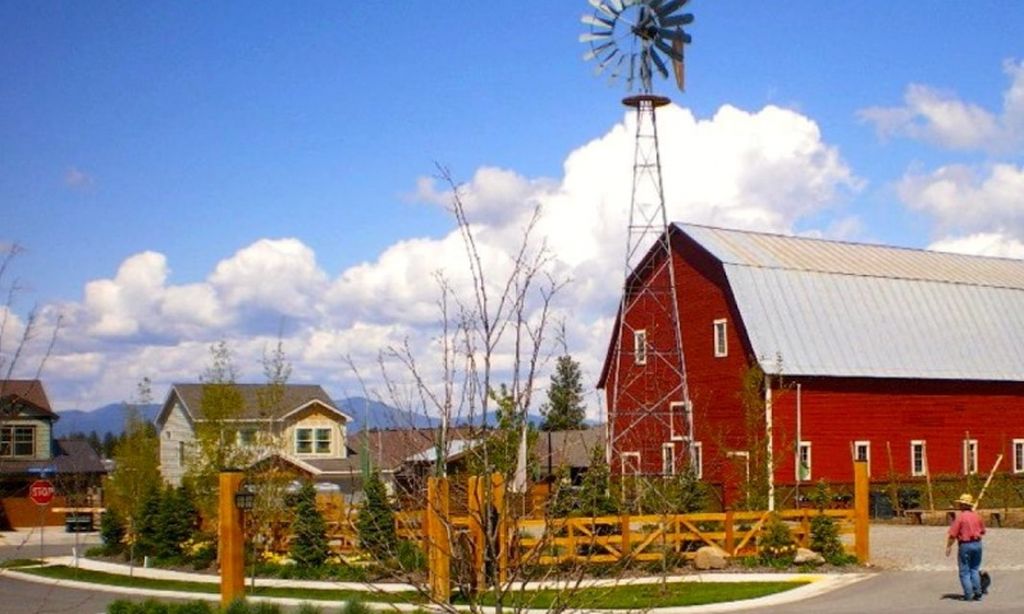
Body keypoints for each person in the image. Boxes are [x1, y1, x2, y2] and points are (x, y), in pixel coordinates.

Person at [945, 493, 986, 601]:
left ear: (963, 505)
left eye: (960, 504)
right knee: (975, 569)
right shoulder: (977, 516)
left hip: (965, 545)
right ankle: (978, 592)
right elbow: (982, 531)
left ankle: (968, 594)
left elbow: (952, 534)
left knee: (964, 571)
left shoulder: (960, 518)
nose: (959, 506)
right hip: (977, 544)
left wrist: (949, 546)